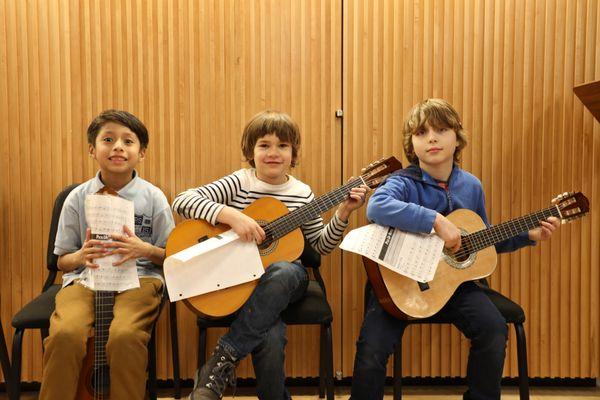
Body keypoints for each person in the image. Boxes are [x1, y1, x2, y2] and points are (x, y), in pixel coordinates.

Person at [350, 98, 560, 400]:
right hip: (401, 283)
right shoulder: (402, 182)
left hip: (456, 285)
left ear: (457, 137)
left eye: (441, 129)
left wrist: (528, 235)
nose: (432, 138)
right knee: (372, 348)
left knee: (493, 329)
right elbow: (377, 206)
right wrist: (434, 220)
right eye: (421, 133)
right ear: (412, 144)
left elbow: (481, 240)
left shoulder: (471, 186)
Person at [172, 110, 368, 400]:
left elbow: (321, 246)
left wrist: (343, 212)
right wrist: (232, 216)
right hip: (240, 284)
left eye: (282, 145)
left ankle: (220, 361)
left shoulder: (302, 193)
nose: (273, 153)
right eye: (264, 145)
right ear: (251, 151)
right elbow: (182, 200)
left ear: (293, 152)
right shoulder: (240, 182)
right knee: (271, 337)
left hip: (289, 282)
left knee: (284, 270)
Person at [39, 109, 175, 400]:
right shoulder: (77, 197)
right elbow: (62, 260)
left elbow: (171, 256)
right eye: (108, 139)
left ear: (142, 152)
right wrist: (80, 256)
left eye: (128, 141)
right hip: (85, 280)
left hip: (140, 279)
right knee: (65, 334)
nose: (118, 147)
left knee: (125, 336)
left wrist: (145, 249)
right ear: (92, 149)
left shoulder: (154, 197)